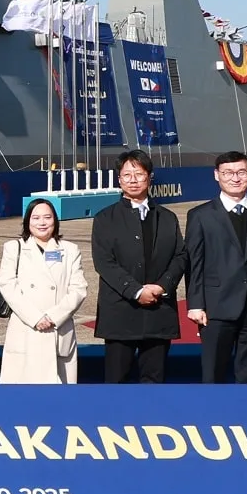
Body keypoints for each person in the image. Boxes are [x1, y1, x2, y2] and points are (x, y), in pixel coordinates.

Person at [185, 150, 247, 384]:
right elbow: (194, 264)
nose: (235, 178)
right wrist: (195, 304)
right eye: (228, 172)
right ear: (216, 175)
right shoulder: (200, 215)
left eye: (241, 172)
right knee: (213, 372)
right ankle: (213, 417)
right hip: (215, 307)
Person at [91, 149, 189, 382]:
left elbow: (180, 255)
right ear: (119, 180)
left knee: (154, 380)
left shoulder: (167, 217)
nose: (133, 180)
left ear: (150, 177)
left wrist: (161, 286)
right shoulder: (105, 218)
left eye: (139, 174)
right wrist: (135, 291)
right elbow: (104, 262)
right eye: (127, 175)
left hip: (158, 310)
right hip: (121, 313)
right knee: (117, 381)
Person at [0, 198, 88, 384]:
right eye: (36, 217)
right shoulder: (14, 248)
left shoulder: (70, 250)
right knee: (22, 397)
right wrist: (36, 318)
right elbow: (7, 285)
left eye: (47, 217)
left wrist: (54, 317)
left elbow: (79, 289)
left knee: (58, 401)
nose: (42, 222)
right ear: (27, 221)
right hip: (26, 328)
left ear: (55, 220)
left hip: (58, 329)